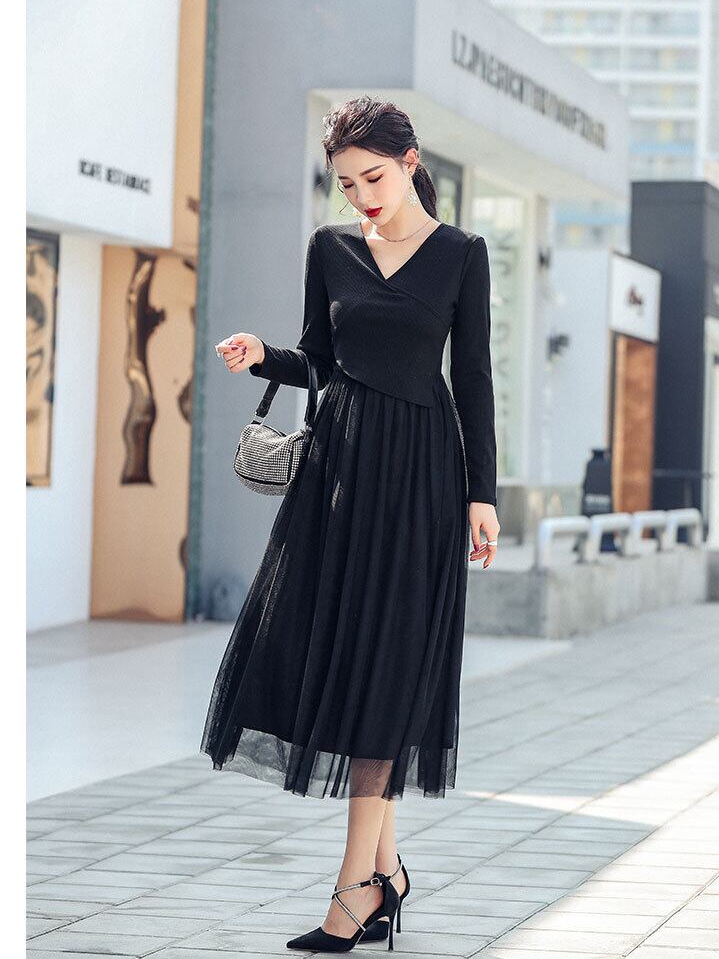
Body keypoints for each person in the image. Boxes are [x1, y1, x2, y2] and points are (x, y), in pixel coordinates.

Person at [204, 96, 500, 952]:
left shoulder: (462, 254)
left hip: (422, 477)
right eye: (346, 184)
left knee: (392, 666)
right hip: (339, 475)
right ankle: (387, 876)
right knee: (350, 660)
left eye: (373, 177)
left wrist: (483, 493)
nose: (362, 196)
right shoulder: (328, 249)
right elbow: (320, 361)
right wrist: (264, 356)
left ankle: (356, 889)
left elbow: (474, 378)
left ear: (410, 162)